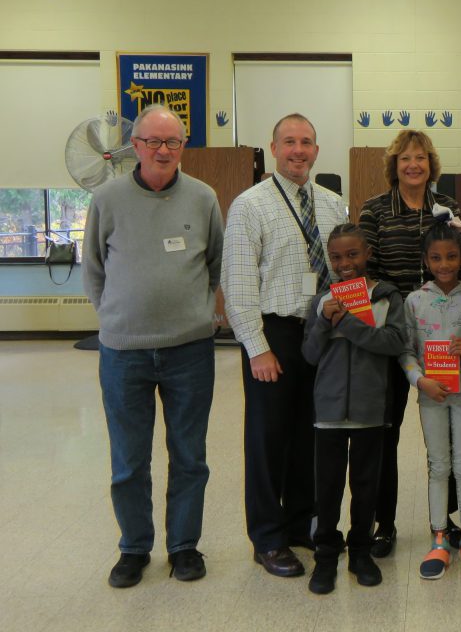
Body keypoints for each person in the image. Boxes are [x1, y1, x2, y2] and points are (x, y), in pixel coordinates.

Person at [82, 104, 223, 588]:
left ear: (183, 146)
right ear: (134, 145)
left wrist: (198, 314)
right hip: (124, 353)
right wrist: (115, 319)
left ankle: (184, 546)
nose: (164, 151)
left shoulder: (204, 198)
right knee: (128, 460)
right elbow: (94, 270)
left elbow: (216, 266)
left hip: (190, 351)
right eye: (154, 142)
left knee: (190, 456)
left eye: (174, 142)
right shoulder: (107, 199)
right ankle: (134, 548)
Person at [222, 113, 346, 578]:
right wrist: (257, 347)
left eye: (307, 142)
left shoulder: (335, 205)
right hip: (274, 331)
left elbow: (344, 273)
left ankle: (300, 523)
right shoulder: (250, 205)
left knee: (310, 435)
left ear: (317, 150)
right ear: (273, 149)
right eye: (290, 142)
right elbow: (237, 283)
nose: (299, 150)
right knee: (268, 437)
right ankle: (268, 537)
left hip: (321, 331)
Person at [359, 129, 461, 558]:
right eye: (405, 158)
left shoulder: (449, 209)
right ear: (394, 164)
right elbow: (366, 273)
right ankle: (383, 523)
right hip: (390, 334)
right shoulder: (373, 211)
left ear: (431, 164)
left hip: (441, 337)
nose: (413, 165)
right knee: (384, 432)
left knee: (445, 431)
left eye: (420, 157)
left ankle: (455, 521)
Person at [301, 224, 405, 594]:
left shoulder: (387, 297)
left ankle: (361, 551)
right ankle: (326, 554)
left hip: (369, 409)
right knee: (327, 487)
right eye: (337, 257)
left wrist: (348, 322)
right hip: (327, 412)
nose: (345, 263)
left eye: (353, 255)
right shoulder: (321, 300)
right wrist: (325, 324)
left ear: (367, 254)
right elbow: (310, 355)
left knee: (365, 486)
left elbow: (393, 343)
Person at [399, 219, 461, 580]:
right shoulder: (414, 301)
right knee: (438, 465)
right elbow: (406, 352)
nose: (444, 265)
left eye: (452, 257)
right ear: (425, 260)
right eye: (436, 258)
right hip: (432, 396)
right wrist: (420, 381)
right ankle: (439, 536)